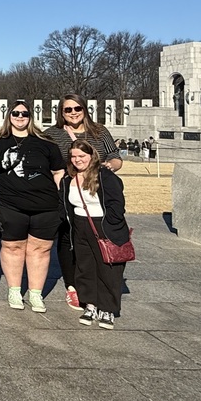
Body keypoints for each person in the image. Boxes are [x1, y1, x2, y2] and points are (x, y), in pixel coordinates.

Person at [0, 99, 65, 313]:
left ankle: (36, 293)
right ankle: (14, 289)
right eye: (16, 113)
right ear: (8, 115)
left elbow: (58, 172)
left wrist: (63, 200)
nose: (20, 117)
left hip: (45, 206)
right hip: (10, 205)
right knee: (13, 247)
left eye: (24, 114)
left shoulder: (46, 143)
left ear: (31, 117)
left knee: (40, 249)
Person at [44, 94, 122, 311]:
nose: (73, 113)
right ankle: (73, 287)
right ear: (61, 112)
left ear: (84, 109)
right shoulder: (52, 134)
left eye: (77, 108)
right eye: (67, 109)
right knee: (68, 239)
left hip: (97, 194)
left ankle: (94, 284)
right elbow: (35, 150)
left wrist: (110, 167)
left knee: (95, 239)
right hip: (66, 194)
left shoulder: (99, 131)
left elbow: (115, 156)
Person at [60, 140, 131, 329]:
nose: (77, 160)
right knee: (85, 267)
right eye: (73, 157)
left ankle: (107, 309)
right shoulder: (68, 179)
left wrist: (111, 226)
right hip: (80, 226)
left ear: (91, 156)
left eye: (81, 156)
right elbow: (65, 206)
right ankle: (90, 304)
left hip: (103, 226)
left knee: (108, 269)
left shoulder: (104, 176)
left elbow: (117, 204)